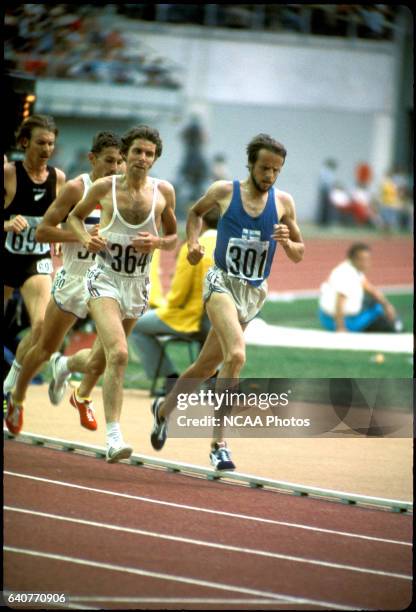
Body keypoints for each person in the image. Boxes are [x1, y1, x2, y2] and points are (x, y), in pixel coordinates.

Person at [150, 133, 305, 470]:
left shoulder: (283, 204)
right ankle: (219, 443)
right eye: (264, 168)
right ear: (250, 164)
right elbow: (193, 213)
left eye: (276, 170)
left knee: (205, 367)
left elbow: (299, 252)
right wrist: (192, 243)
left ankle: (163, 411)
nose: (269, 176)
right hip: (221, 282)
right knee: (236, 354)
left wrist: (287, 243)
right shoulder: (224, 192)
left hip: (253, 291)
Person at [67, 125, 177, 463]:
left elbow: (174, 237)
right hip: (105, 280)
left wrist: (157, 242)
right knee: (119, 354)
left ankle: (63, 365)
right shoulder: (105, 187)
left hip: (136, 285)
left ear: (155, 158)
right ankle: (114, 438)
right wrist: (86, 239)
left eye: (149, 153)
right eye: (137, 152)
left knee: (100, 360)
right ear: (126, 154)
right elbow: (74, 217)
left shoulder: (163, 193)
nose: (142, 159)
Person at [5, 131, 124, 436]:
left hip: (108, 283)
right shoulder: (76, 187)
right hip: (74, 279)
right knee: (44, 347)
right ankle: (16, 398)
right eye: (109, 160)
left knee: (111, 355)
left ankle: (79, 389)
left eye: (120, 161)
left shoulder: (124, 192)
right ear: (92, 159)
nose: (115, 167)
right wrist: (81, 236)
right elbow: (43, 232)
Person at [3, 115, 66, 401]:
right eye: (41, 142)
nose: (47, 149)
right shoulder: (8, 173)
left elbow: (62, 219)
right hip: (4, 256)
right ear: (25, 142)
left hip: (35, 259)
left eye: (51, 143)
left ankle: (15, 378)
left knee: (42, 328)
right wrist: (5, 224)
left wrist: (62, 234)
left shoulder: (58, 178)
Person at [130, 207, 219, 394]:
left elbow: (179, 296)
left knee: (135, 326)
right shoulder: (229, 246)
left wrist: (161, 305)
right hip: (220, 322)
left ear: (199, 223)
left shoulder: (194, 248)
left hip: (191, 319)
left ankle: (169, 378)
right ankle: (212, 379)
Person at [318, 242, 403, 332]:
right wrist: (341, 328)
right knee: (379, 313)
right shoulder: (346, 274)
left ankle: (394, 324)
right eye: (362, 259)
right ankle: (397, 327)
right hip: (335, 320)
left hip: (329, 315)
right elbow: (340, 301)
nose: (366, 263)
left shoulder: (350, 268)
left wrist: (386, 305)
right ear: (353, 259)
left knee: (374, 301)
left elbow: (369, 288)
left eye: (367, 259)